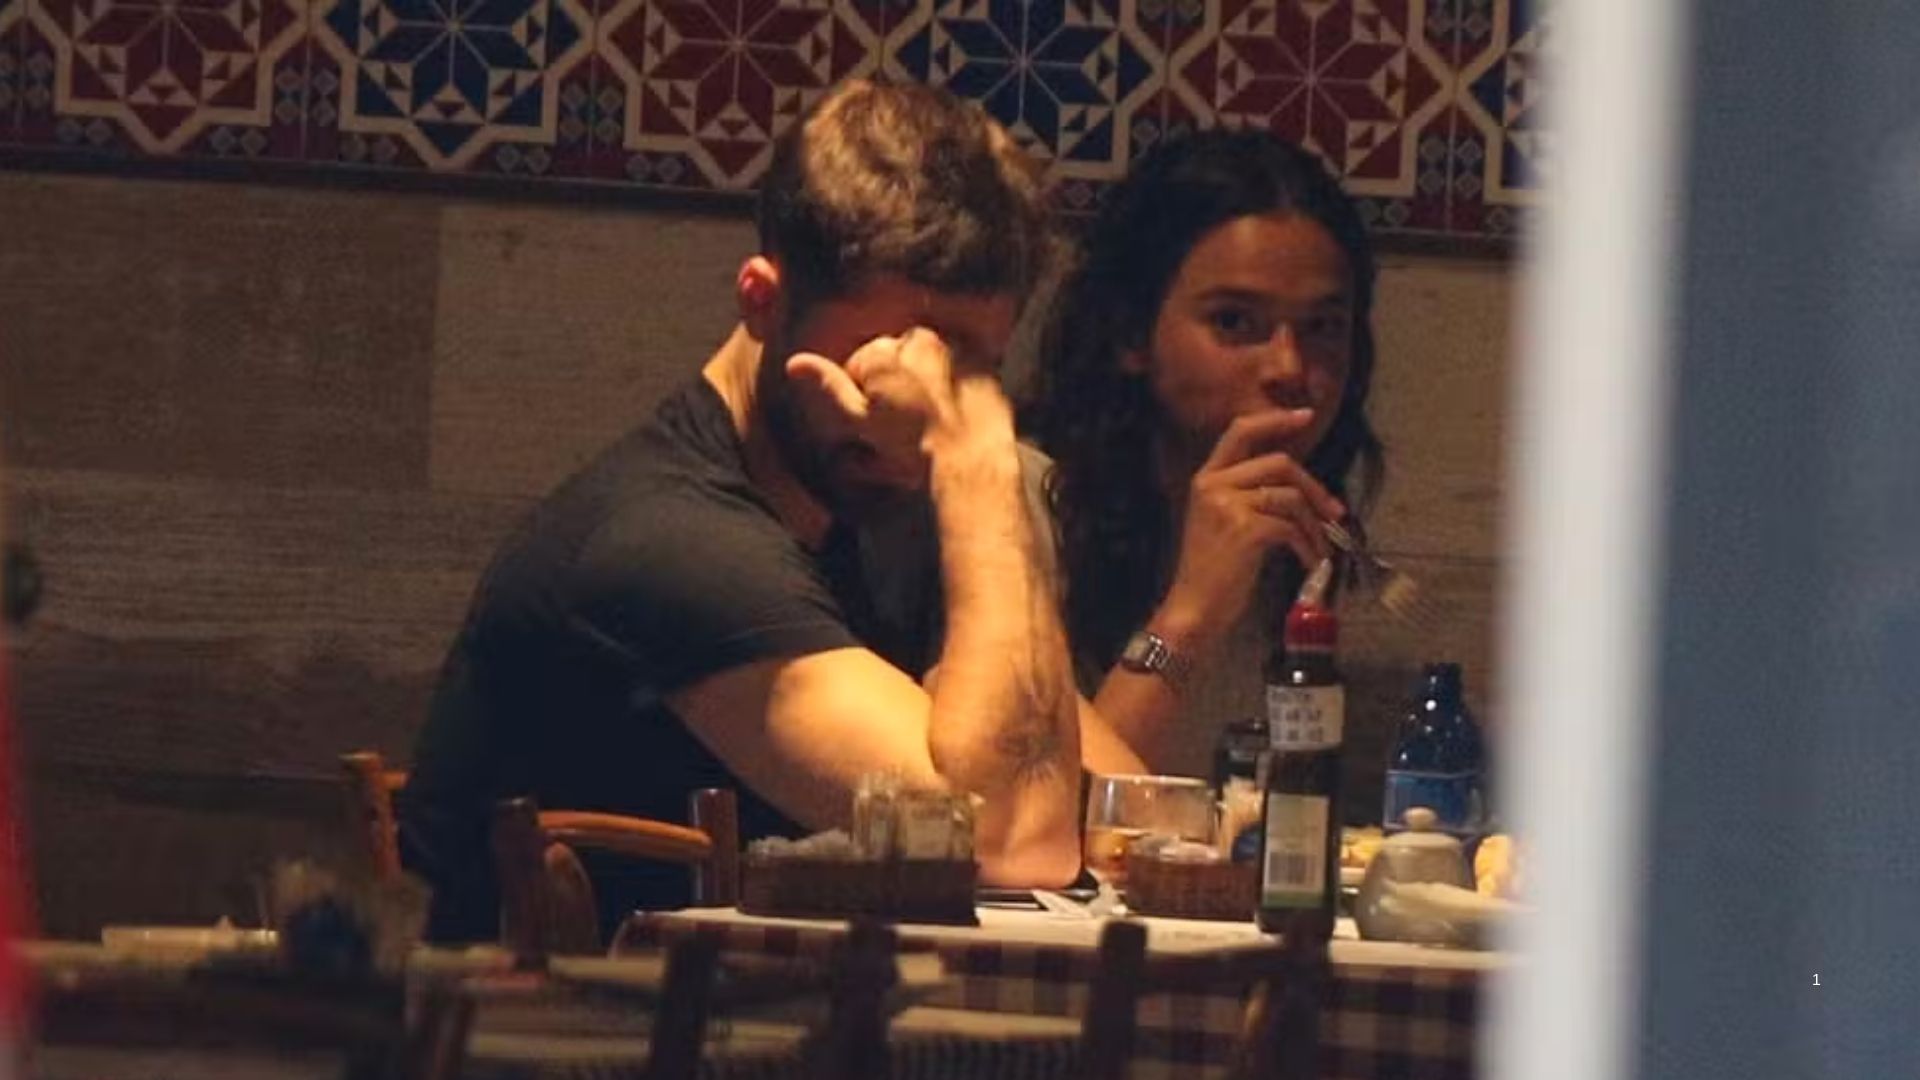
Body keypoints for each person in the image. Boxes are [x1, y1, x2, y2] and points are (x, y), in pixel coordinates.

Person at [399, 80, 1141, 942]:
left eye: (973, 369)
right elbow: (1011, 841)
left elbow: (1111, 807)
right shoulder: (666, 542)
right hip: (564, 1021)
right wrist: (979, 457)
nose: (931, 399)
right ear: (762, 301)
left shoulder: (872, 508)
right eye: (895, 355)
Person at [1025, 130, 1386, 778]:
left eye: (1323, 327)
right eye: (1234, 322)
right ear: (1131, 334)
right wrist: (1191, 612)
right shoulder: (1020, 501)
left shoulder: (1302, 537)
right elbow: (1046, 809)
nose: (1289, 367)